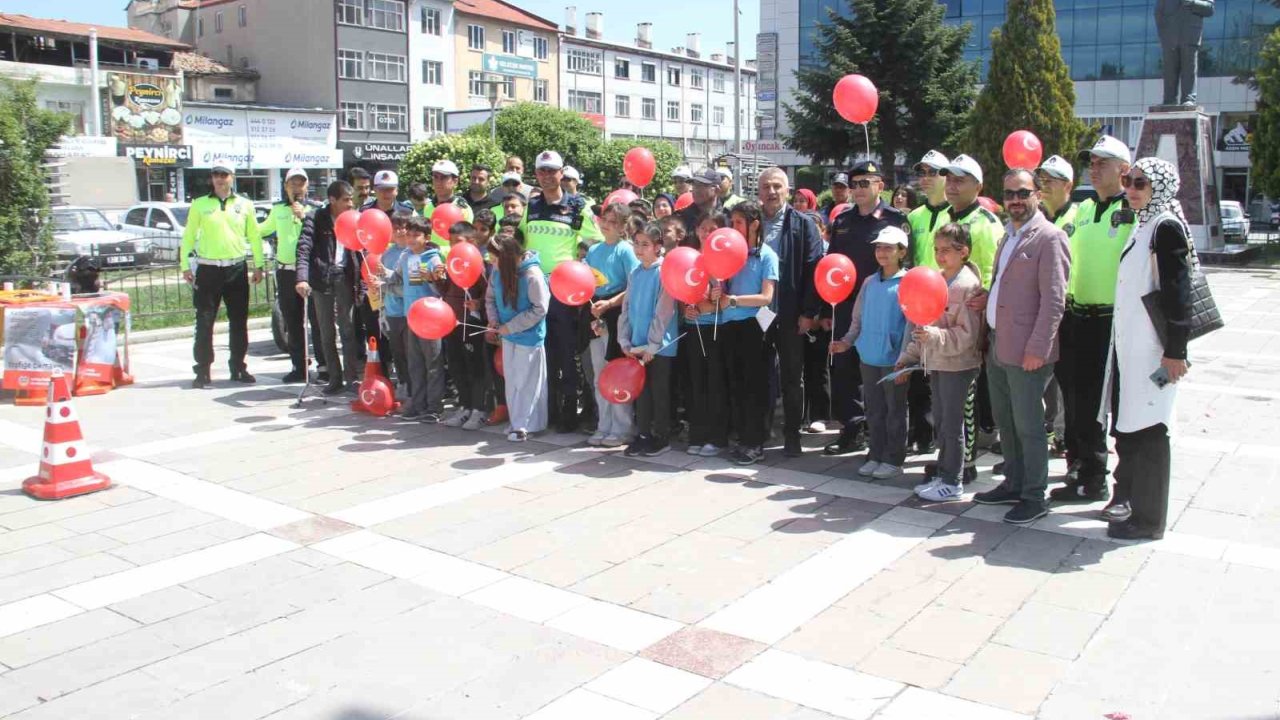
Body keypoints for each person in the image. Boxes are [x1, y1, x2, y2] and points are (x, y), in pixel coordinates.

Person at [1101, 157, 1193, 539]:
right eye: (1128, 181)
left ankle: (1149, 521)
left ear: (1161, 187)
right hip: (1133, 350)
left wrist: (1175, 351)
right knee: (1134, 431)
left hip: (1155, 353)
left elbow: (1178, 291)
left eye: (1141, 183)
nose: (1132, 190)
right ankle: (1135, 509)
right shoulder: (1144, 225)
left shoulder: (1165, 227)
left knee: (1152, 431)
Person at [971, 169, 1070, 525]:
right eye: (1009, 193)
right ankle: (1013, 483)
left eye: (1022, 193)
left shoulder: (1050, 237)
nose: (1015, 200)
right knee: (1006, 422)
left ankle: (1034, 495)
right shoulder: (1007, 235)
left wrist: (1038, 348)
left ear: (1038, 195)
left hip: (1028, 351)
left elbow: (1054, 301)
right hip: (999, 345)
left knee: (1029, 426)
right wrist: (988, 299)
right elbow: (1007, 284)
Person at [1050, 136, 1134, 503]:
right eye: (1092, 163)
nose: (1094, 169)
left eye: (1103, 163)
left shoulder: (1132, 209)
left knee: (1107, 405)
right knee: (1076, 399)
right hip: (1077, 316)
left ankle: (1103, 477)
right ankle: (1081, 469)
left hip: (1112, 320)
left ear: (1123, 169)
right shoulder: (1082, 209)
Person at [823, 160, 910, 455]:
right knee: (844, 371)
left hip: (884, 305)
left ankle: (886, 438)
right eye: (854, 184)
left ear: (880, 186)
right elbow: (830, 265)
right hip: (846, 305)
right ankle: (852, 429)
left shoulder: (895, 219)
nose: (858, 189)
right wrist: (825, 310)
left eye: (865, 183)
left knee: (883, 371)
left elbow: (908, 263)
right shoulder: (842, 221)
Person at [519, 150, 605, 433]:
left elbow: (595, 241)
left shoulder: (577, 206)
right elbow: (520, 240)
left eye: (551, 171)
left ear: (561, 173)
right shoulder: (532, 206)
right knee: (543, 352)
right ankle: (549, 411)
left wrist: (579, 261)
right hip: (534, 289)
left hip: (564, 291)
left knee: (567, 352)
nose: (546, 176)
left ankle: (570, 412)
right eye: (541, 171)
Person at [902, 223, 984, 502]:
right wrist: (910, 355)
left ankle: (953, 480)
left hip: (958, 364)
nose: (940, 256)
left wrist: (934, 336)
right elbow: (924, 321)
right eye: (937, 250)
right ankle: (944, 472)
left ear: (964, 252)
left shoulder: (968, 286)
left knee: (952, 423)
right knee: (941, 421)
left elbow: (968, 335)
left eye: (946, 250)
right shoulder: (937, 280)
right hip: (937, 361)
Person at [832, 226, 911, 480]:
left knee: (895, 411)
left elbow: (911, 324)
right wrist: (847, 342)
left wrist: (905, 359)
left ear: (902, 252)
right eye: (879, 247)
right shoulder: (869, 282)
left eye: (889, 248)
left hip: (895, 360)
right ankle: (875, 454)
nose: (882, 252)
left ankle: (893, 458)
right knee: (874, 410)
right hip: (868, 357)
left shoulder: (908, 283)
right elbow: (858, 318)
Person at [180, 158, 264, 388]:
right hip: (208, 268)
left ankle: (238, 367)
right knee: (204, 321)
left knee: (239, 321)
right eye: (216, 174)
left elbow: (254, 236)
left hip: (236, 267)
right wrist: (185, 265)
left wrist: (259, 265)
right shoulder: (199, 204)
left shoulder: (245, 204)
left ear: (232, 177)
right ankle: (203, 370)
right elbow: (189, 235)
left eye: (224, 174)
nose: (219, 179)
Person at [758, 167, 825, 457]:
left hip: (790, 311)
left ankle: (792, 435)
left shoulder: (803, 224)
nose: (771, 192)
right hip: (757, 312)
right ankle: (760, 432)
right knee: (759, 374)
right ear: (758, 191)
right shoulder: (751, 222)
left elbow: (813, 269)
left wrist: (809, 312)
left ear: (788, 190)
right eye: (766, 187)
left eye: (777, 186)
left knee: (791, 376)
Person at [942, 154, 1005, 446]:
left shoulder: (986, 223)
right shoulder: (948, 217)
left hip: (974, 317)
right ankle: (955, 449)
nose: (952, 186)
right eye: (949, 179)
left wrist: (988, 294)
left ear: (978, 187)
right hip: (948, 314)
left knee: (971, 387)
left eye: (960, 180)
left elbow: (996, 269)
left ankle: (972, 448)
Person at [717, 201, 780, 465]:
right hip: (729, 325)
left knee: (755, 386)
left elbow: (766, 297)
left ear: (754, 224)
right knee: (737, 384)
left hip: (755, 326)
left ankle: (755, 443)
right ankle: (743, 438)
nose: (733, 227)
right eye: (732, 222)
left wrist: (732, 300)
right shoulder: (731, 254)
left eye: (739, 222)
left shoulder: (767, 255)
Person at [905, 150, 953, 455]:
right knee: (918, 372)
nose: (925, 179)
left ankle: (944, 436)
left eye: (932, 173)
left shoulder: (956, 215)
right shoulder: (913, 217)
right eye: (921, 173)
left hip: (948, 306)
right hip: (917, 306)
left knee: (944, 375)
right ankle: (921, 433)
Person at [619, 222, 679, 456]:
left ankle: (661, 437)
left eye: (645, 244)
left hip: (659, 346)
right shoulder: (635, 273)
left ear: (658, 247)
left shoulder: (664, 272)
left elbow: (664, 311)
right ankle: (643, 434)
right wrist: (624, 339)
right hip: (637, 344)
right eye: (636, 243)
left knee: (659, 392)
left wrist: (653, 345)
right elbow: (626, 308)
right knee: (641, 392)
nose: (639, 249)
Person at [485, 229, 550, 442]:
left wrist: (511, 327)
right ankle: (517, 421)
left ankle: (526, 425)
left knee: (527, 381)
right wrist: (494, 320)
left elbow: (540, 309)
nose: (492, 263)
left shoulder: (533, 275)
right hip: (507, 335)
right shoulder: (497, 272)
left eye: (495, 258)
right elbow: (490, 299)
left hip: (529, 336)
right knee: (512, 380)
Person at [585, 202, 640, 447]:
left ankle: (622, 427)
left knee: (616, 373)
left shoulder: (625, 250)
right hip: (596, 313)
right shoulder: (593, 250)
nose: (607, 225)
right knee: (599, 373)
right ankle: (604, 425)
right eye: (604, 220)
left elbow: (634, 285)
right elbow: (587, 282)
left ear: (623, 226)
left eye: (613, 222)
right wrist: (595, 308)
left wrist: (609, 303)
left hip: (617, 312)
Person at [296, 181, 358, 395]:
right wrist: (302, 278)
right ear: (332, 200)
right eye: (346, 200)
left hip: (344, 277)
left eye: (351, 199)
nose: (350, 204)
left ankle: (352, 379)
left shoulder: (354, 218)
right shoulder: (315, 218)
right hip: (322, 279)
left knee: (348, 328)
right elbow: (304, 248)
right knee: (326, 331)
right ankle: (334, 378)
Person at [683, 212, 731, 457]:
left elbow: (727, 300)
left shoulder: (726, 262)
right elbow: (681, 291)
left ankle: (717, 437)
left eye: (713, 229)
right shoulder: (689, 258)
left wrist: (709, 306)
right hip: (693, 329)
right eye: (703, 228)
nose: (707, 233)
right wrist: (687, 309)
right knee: (696, 383)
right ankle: (697, 435)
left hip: (717, 329)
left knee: (715, 383)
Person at [258, 167, 311, 383]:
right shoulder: (278, 210)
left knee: (317, 319)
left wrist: (304, 216)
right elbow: (261, 230)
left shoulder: (314, 210)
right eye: (292, 183)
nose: (296, 187)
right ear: (285, 186)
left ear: (307, 186)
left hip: (308, 271)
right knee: (292, 320)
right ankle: (299, 366)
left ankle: (325, 366)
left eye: (300, 183)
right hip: (286, 271)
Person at [439, 221, 491, 429]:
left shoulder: (480, 265)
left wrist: (478, 303)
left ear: (472, 242)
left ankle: (479, 409)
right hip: (452, 322)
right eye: (451, 242)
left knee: (475, 367)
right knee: (456, 365)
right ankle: (464, 406)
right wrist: (436, 280)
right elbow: (446, 291)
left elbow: (489, 294)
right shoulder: (452, 263)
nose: (453, 247)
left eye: (458, 242)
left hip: (473, 324)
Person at [398, 215, 446, 422]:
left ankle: (434, 407)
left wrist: (433, 280)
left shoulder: (434, 259)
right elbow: (397, 279)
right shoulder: (405, 257)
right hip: (411, 317)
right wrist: (382, 277)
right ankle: (417, 404)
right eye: (408, 235)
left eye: (416, 235)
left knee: (433, 364)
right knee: (415, 364)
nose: (411, 239)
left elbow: (441, 289)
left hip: (431, 320)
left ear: (427, 238)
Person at [378, 212, 412, 403]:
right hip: (392, 311)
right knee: (397, 352)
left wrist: (386, 285)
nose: (399, 231)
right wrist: (382, 311)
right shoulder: (387, 253)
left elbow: (408, 287)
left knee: (410, 353)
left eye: (403, 227)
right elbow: (381, 283)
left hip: (408, 311)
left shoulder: (411, 253)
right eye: (396, 228)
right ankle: (402, 382)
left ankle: (413, 387)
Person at [422, 160, 474, 251]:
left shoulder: (463, 209)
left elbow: (465, 243)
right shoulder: (428, 207)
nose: (438, 182)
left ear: (455, 181)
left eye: (443, 177)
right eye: (435, 177)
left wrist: (439, 250)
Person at [677, 167, 725, 238]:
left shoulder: (728, 217)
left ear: (716, 190)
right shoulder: (683, 218)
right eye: (694, 185)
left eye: (702, 185)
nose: (696, 190)